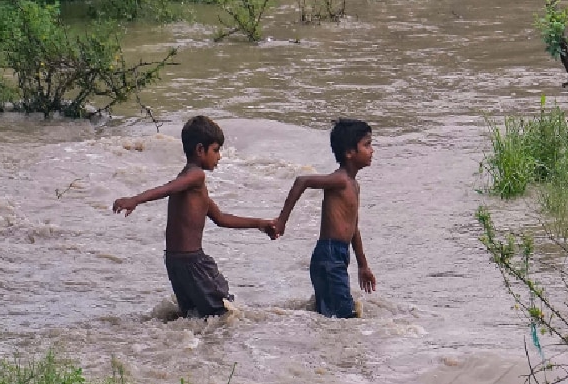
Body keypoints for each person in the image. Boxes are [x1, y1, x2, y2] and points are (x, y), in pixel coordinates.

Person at [113, 115, 277, 317]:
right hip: (193, 262)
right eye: (216, 150)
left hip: (174, 261)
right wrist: (135, 200)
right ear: (200, 150)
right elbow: (168, 188)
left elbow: (221, 218)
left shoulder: (191, 184)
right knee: (225, 313)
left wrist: (259, 223)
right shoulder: (196, 176)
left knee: (193, 316)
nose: (219, 157)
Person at [273, 118, 376, 318]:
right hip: (329, 254)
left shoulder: (354, 185)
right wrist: (281, 221)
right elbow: (302, 181)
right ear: (349, 152)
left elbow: (353, 227)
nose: (372, 150)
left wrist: (363, 265)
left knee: (329, 317)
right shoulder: (340, 180)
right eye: (367, 145)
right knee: (345, 317)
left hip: (338, 255)